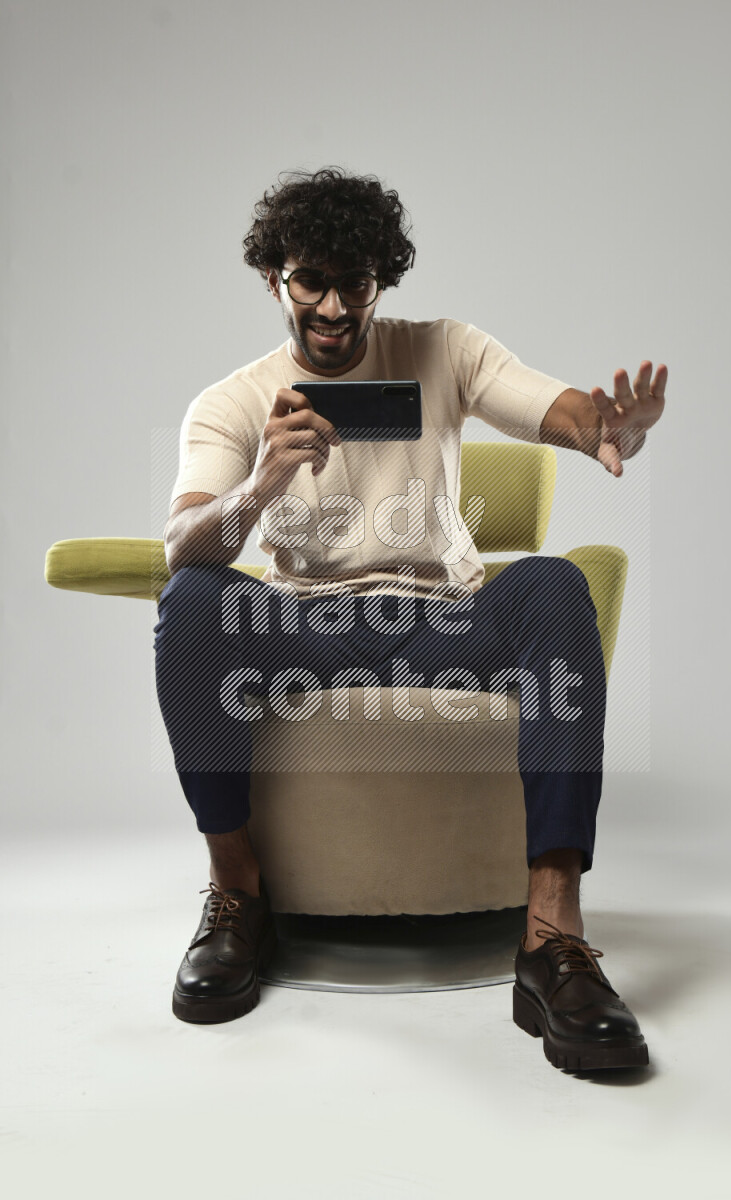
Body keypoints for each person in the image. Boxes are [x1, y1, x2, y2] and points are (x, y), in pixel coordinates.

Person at [154, 166, 666, 1070]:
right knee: (193, 599)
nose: (334, 306)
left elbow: (550, 407)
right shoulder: (231, 401)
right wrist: (263, 482)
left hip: (441, 620)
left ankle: (552, 940)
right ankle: (238, 895)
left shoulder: (443, 350)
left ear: (380, 280)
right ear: (276, 277)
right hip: (306, 624)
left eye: (356, 282)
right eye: (312, 279)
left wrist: (603, 427)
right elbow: (184, 543)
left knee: (551, 584)